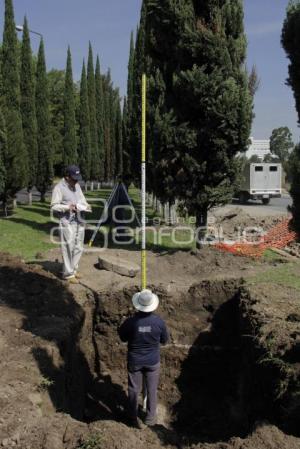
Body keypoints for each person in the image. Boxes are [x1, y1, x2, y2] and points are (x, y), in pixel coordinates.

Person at [118, 289, 169, 428]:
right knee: (152, 389)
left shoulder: (131, 322)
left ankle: (132, 418)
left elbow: (122, 337)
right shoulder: (159, 322)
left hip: (135, 361)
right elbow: (165, 341)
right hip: (152, 361)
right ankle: (151, 418)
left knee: (134, 389)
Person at [51, 165, 92, 283]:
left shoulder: (77, 186)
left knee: (79, 247)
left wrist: (86, 206)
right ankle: (67, 274)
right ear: (67, 176)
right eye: (74, 178)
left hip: (79, 220)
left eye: (77, 178)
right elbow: (54, 206)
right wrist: (67, 207)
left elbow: (82, 199)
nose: (76, 181)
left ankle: (73, 270)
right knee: (68, 247)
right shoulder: (59, 188)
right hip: (67, 222)